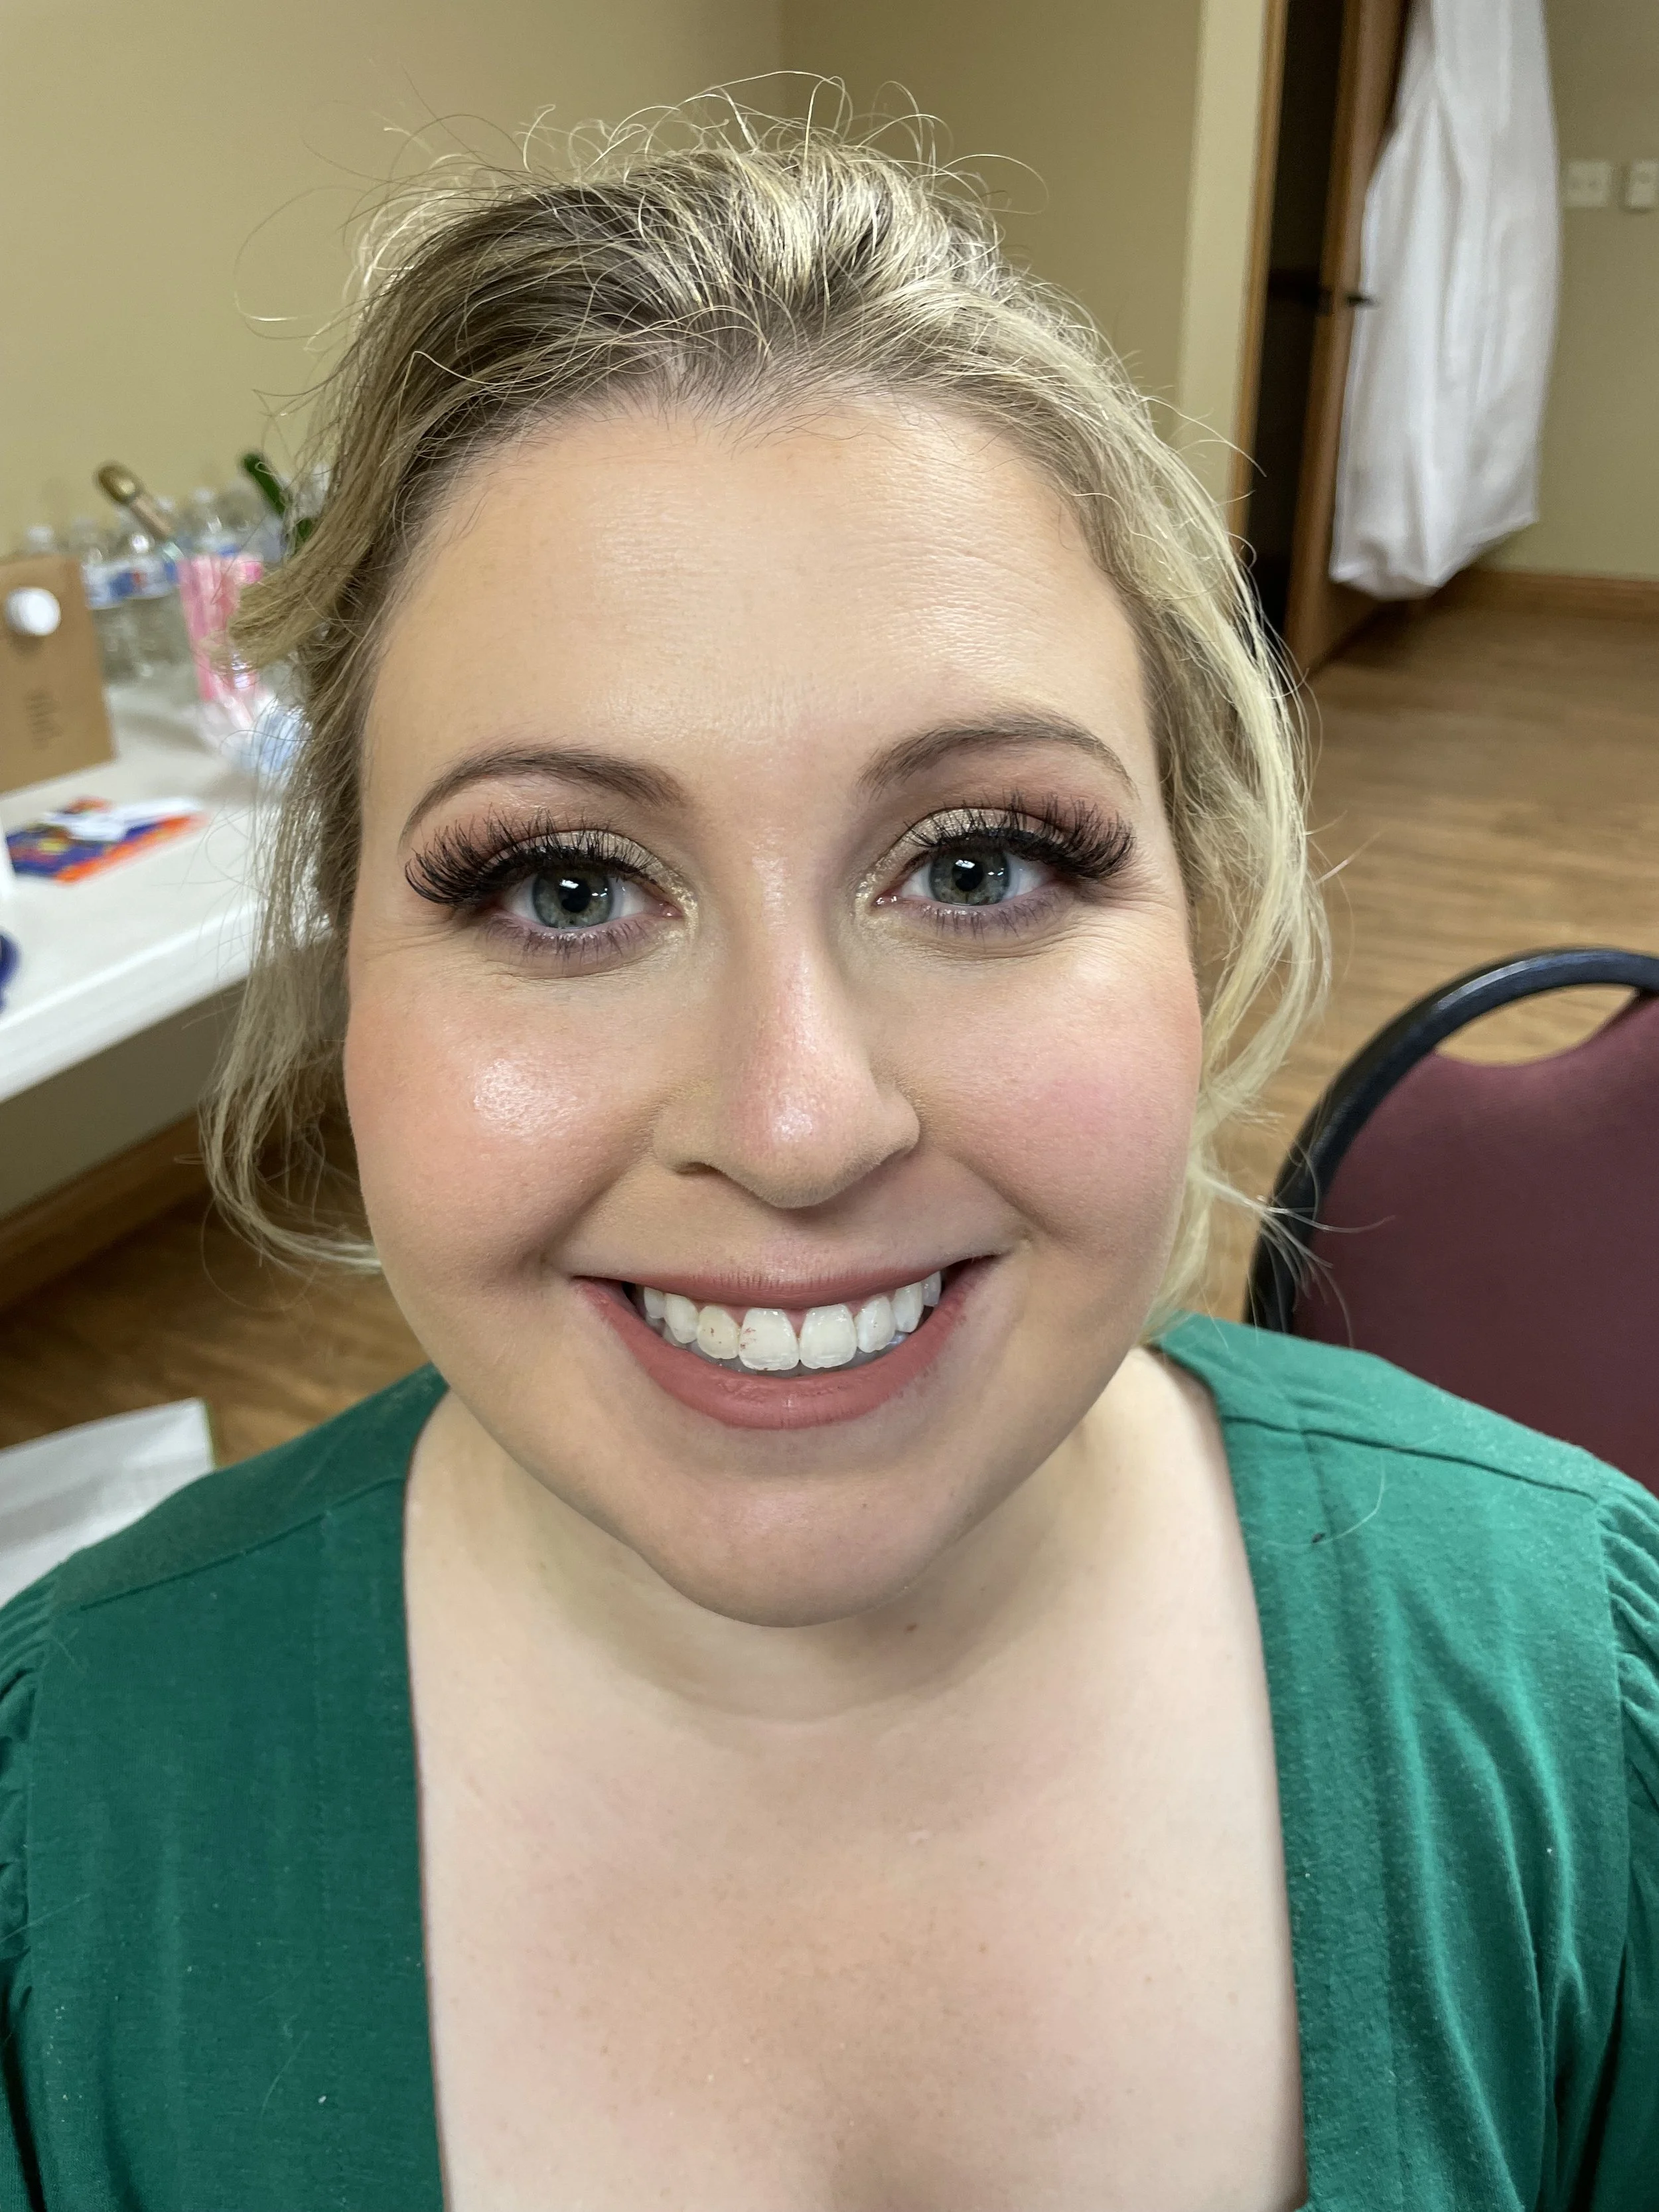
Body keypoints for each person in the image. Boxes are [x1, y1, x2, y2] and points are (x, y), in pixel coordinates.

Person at [0, 107, 1653, 2212]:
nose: (793, 1124)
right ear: (349, 990)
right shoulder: (58, 1838)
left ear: (1206, 917)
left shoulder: (1582, 1712)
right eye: (566, 888)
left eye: (975, 860)